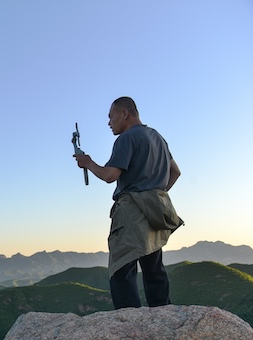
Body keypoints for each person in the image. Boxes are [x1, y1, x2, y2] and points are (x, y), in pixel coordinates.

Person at [74, 97, 183, 309]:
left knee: (122, 268)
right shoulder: (157, 137)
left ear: (125, 113)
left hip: (131, 210)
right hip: (157, 209)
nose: (109, 122)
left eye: (111, 116)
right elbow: (176, 172)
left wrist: (88, 163)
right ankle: (162, 315)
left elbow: (110, 175)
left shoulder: (126, 138)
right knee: (153, 267)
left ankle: (129, 325)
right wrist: (155, 193)